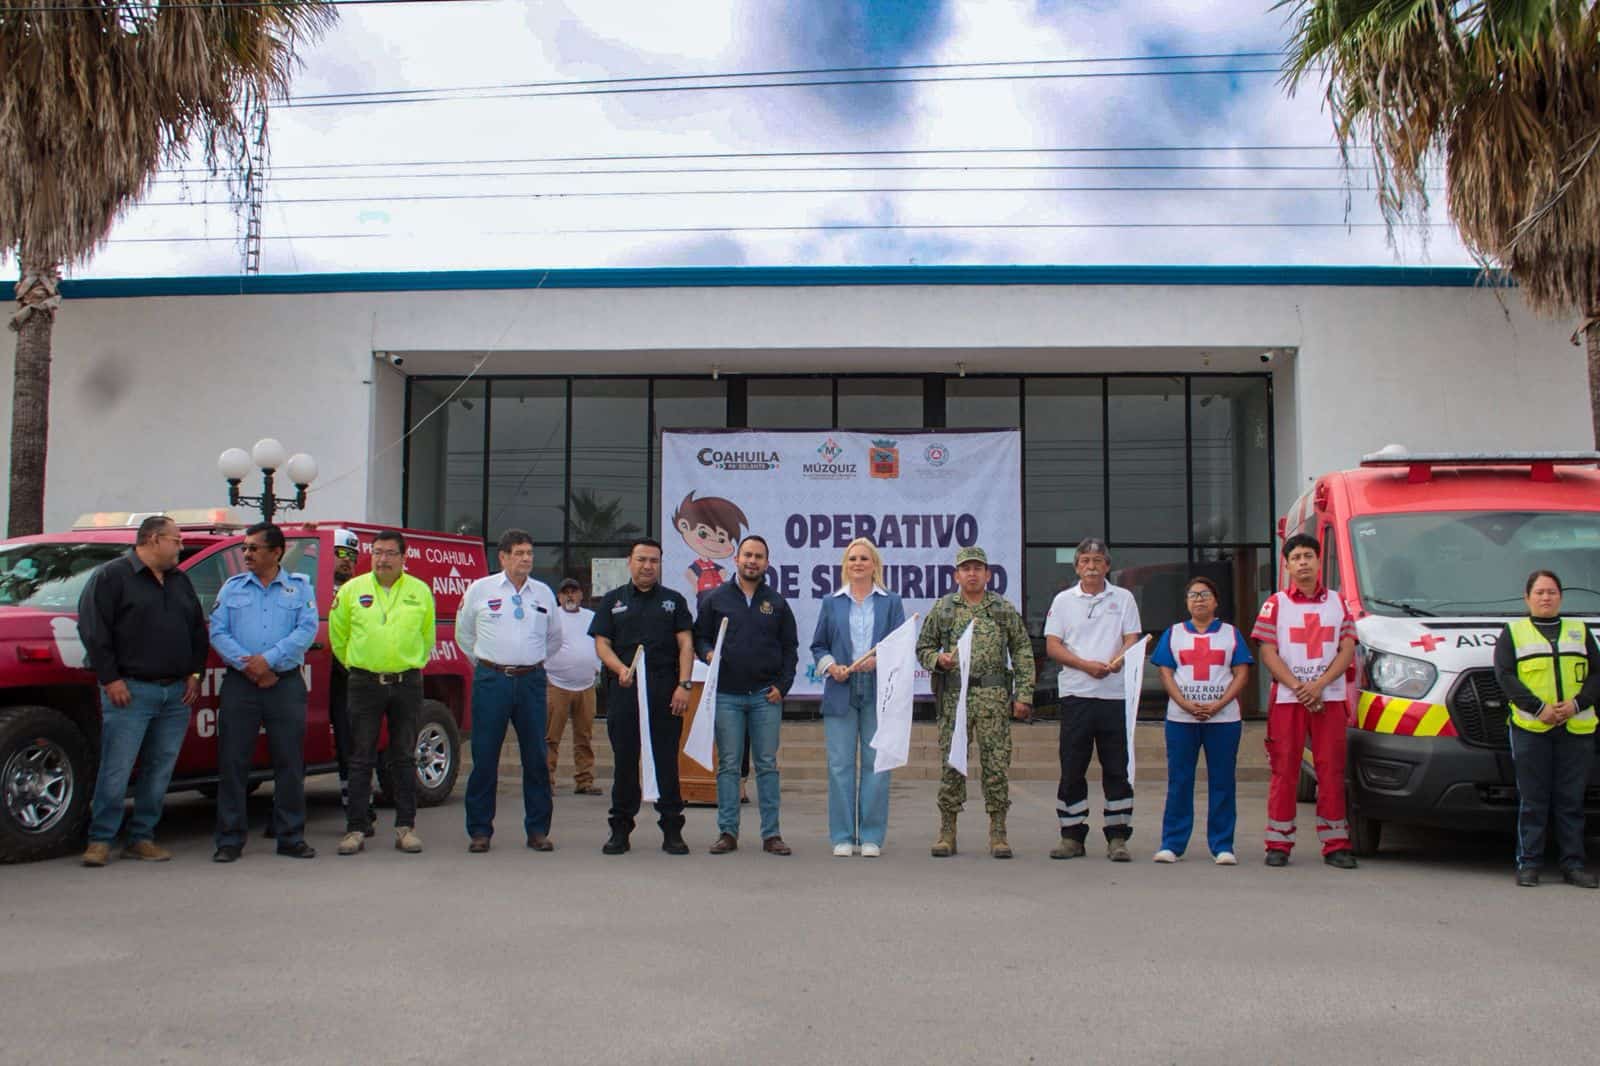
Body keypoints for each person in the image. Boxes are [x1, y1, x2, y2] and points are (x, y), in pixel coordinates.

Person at [76, 515, 208, 867]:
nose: (181, 546)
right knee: (116, 768)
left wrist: (195, 673)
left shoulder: (180, 582)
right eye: (176, 540)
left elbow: (197, 630)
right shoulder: (111, 577)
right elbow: (94, 630)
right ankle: (101, 839)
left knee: (159, 768)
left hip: (175, 692)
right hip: (130, 690)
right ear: (152, 539)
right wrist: (111, 679)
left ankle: (142, 836)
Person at [207, 522, 320, 862]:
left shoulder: (299, 588)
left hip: (283, 682)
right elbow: (218, 631)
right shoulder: (233, 587)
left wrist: (268, 661)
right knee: (233, 762)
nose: (247, 554)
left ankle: (290, 836)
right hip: (242, 684)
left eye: (254, 548)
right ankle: (229, 840)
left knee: (288, 762)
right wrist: (249, 665)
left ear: (276, 552)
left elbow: (306, 630)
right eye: (244, 548)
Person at [916, 546, 1035, 859]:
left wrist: (1024, 694)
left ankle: (998, 832)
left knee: (996, 765)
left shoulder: (1001, 609)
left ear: (988, 574)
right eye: (966, 568)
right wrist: (937, 659)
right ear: (956, 575)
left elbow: (1022, 649)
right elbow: (923, 647)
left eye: (977, 568)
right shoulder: (944, 608)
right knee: (952, 764)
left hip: (993, 698)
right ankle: (947, 831)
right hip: (955, 697)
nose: (972, 573)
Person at [1252, 533, 1359, 869]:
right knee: (1284, 770)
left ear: (1317, 560)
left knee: (1331, 770)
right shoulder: (1275, 604)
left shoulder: (1338, 603)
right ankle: (1278, 844)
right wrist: (1301, 686)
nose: (1302, 563)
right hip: (1288, 699)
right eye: (1295, 557)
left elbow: (1347, 648)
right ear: (1286, 565)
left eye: (1308, 556)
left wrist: (1320, 685)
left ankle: (1336, 844)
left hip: (1329, 698)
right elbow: (1268, 652)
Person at [328, 529, 435, 856]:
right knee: (360, 756)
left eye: (390, 553)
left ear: (404, 557)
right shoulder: (351, 590)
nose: (383, 559)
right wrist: (359, 666)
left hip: (406, 682)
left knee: (403, 755)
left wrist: (407, 662)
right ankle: (356, 828)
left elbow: (426, 636)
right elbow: (339, 634)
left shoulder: (420, 591)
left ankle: (406, 827)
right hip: (363, 682)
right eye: (377, 552)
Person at [455, 529, 562, 853]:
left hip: (531, 681)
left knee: (536, 758)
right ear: (502, 557)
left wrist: (528, 661)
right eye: (519, 553)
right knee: (485, 757)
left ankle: (538, 830)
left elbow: (554, 639)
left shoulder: (543, 593)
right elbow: (464, 634)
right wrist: (490, 664)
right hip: (492, 680)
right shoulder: (480, 589)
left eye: (529, 553)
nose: (526, 559)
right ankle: (479, 831)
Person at [1493, 570, 1600, 888]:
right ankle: (1529, 864)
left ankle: (1573, 865)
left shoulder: (1580, 631)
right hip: (1531, 729)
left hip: (1575, 729)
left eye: (1551, 592)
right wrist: (1539, 709)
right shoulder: (1513, 633)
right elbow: (1506, 676)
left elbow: (1597, 674)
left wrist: (1577, 704)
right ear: (1527, 598)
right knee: (1533, 800)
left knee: (1571, 801)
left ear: (1561, 597)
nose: (1545, 597)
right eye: (1539, 592)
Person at [590, 538, 695, 855]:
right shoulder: (613, 601)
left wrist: (685, 685)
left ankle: (672, 831)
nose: (648, 565)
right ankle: (620, 830)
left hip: (666, 692)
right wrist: (619, 668)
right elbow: (601, 643)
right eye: (642, 559)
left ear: (660, 564)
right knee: (624, 763)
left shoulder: (673, 601)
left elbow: (686, 645)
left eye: (654, 560)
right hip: (625, 691)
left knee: (666, 761)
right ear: (630, 562)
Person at [1043, 537, 1145, 862]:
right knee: (1073, 767)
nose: (1091, 566)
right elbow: (1053, 646)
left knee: (1117, 767)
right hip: (1077, 694)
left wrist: (1116, 661)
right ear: (1076, 567)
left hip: (1114, 695)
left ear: (1107, 566)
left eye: (1097, 561)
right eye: (1085, 560)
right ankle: (1072, 836)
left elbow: (1133, 638)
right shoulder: (1062, 601)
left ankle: (1118, 837)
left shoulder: (1124, 598)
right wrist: (1086, 665)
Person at [697, 535, 799, 855]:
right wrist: (709, 652)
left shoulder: (778, 603)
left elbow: (790, 650)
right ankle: (728, 832)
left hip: (764, 697)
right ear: (736, 560)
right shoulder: (714, 599)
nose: (752, 561)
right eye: (747, 555)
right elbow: (699, 638)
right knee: (728, 765)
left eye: (759, 556)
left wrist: (783, 686)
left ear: (767, 563)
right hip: (727, 695)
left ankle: (771, 834)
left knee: (767, 765)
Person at [811, 537, 905, 857]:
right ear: (845, 566)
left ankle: (871, 837)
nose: (858, 564)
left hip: (878, 691)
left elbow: (900, 645)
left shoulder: (891, 602)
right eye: (852, 559)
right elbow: (818, 646)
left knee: (876, 764)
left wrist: (881, 660)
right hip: (841, 688)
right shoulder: (831, 602)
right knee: (839, 766)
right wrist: (830, 666)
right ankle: (841, 836)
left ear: (874, 565)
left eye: (864, 559)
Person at [1149, 576, 1252, 865]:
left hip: (1224, 720)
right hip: (1182, 719)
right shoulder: (1174, 633)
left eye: (1205, 594)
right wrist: (1184, 703)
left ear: (1216, 601)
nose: (1199, 599)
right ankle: (1172, 843)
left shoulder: (1230, 634)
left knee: (1222, 781)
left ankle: (1222, 845)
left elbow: (1242, 673)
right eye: (1193, 595)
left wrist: (1219, 704)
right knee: (1180, 780)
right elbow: (1165, 672)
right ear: (1186, 602)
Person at [326, 528, 374, 836]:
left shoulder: (359, 589)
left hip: (349, 679)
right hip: (318, 678)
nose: (348, 561)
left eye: (353, 555)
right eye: (342, 553)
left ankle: (359, 809)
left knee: (352, 747)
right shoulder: (310, 585)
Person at [545, 577, 603, 796]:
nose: (570, 596)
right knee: (551, 736)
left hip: (586, 685)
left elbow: (600, 642)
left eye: (574, 591)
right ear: (559, 597)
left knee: (584, 736)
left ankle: (585, 781)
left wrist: (598, 667)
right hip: (556, 684)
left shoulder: (591, 617)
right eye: (565, 592)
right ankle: (547, 781)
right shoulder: (552, 618)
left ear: (581, 595)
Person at [673, 491, 748, 595]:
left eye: (721, 540)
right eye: (703, 534)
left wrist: (718, 581)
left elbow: (723, 571)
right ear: (684, 526)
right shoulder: (697, 565)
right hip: (704, 593)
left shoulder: (713, 565)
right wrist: (697, 587)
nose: (713, 542)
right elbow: (688, 573)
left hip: (717, 594)